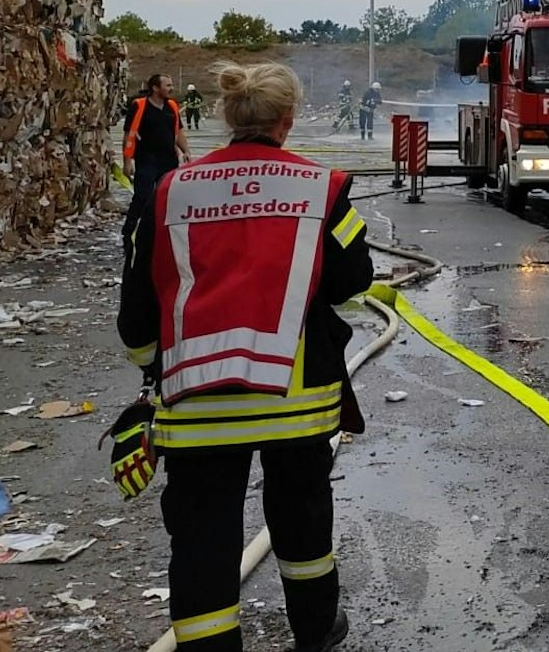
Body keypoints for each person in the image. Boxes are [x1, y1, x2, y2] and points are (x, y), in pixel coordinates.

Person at [118, 61, 369, 652]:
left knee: (204, 539)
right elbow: (355, 274)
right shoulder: (322, 187)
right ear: (287, 121)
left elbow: (136, 306)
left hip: (196, 403)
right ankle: (314, 630)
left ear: (228, 117)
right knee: (303, 521)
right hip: (297, 401)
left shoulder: (168, 191)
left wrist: (151, 366)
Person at [122, 74, 189, 255]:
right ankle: (129, 233)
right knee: (142, 197)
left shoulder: (172, 106)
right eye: (167, 85)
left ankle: (162, 235)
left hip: (168, 160)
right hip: (146, 160)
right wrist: (127, 162)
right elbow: (129, 134)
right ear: (155, 88)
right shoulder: (139, 105)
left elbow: (178, 131)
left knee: (168, 198)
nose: (171, 88)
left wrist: (186, 150)